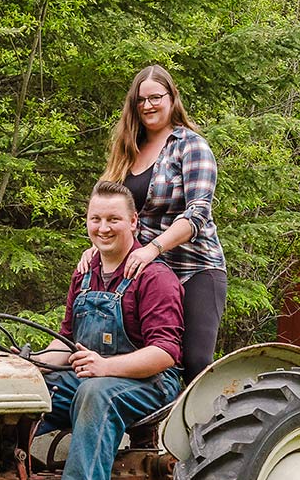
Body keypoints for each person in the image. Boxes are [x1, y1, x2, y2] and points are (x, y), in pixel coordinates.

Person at [21, 180, 184, 480]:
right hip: (90, 375)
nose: (103, 227)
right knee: (25, 396)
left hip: (149, 383)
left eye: (113, 219)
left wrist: (106, 366)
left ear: (133, 223)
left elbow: (165, 353)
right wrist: (27, 367)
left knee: (97, 394)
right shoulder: (85, 273)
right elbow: (64, 343)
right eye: (96, 219)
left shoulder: (155, 277)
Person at [82, 64, 227, 384]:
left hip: (194, 268)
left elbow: (198, 213)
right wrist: (94, 248)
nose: (148, 105)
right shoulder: (126, 150)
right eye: (140, 99)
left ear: (172, 98)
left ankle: (197, 431)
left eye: (156, 97)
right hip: (145, 273)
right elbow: (110, 209)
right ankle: (146, 434)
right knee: (134, 352)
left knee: (194, 360)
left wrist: (153, 248)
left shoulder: (191, 146)